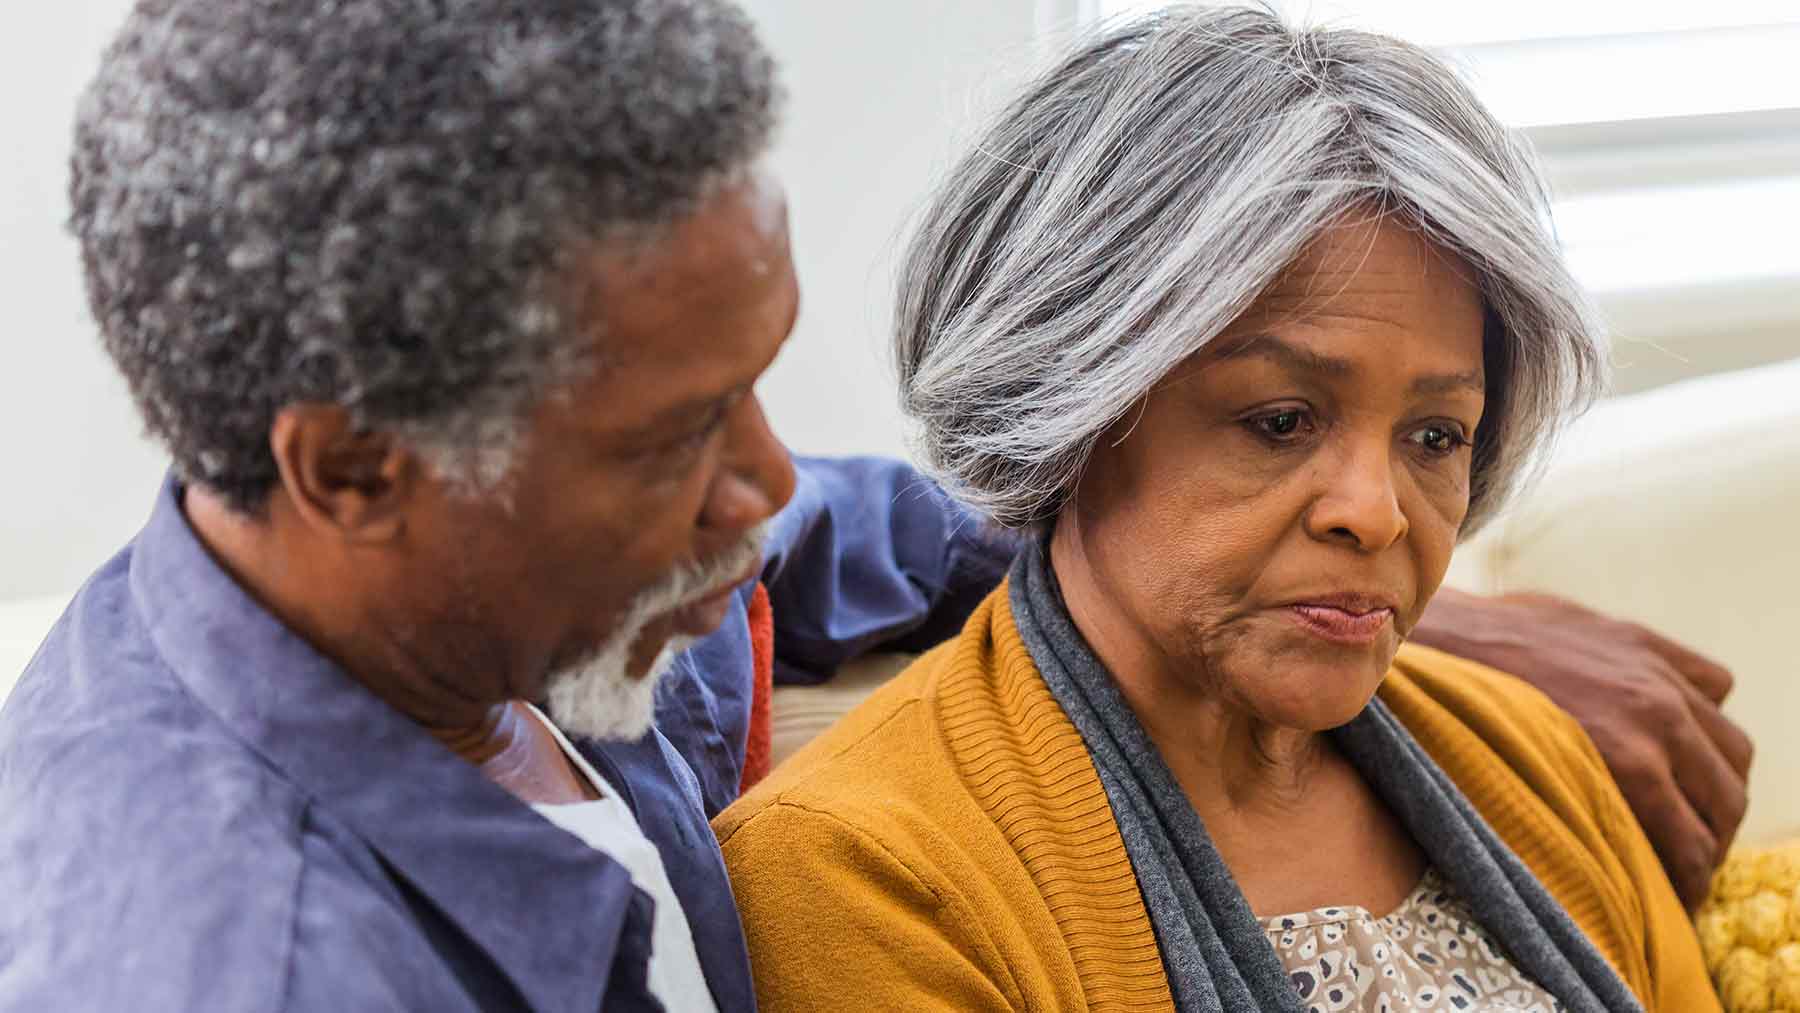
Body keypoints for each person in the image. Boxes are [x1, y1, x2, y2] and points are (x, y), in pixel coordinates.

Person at [0, 0, 1746, 1009]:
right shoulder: (247, 963)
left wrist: (1343, 587)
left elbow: (927, 515)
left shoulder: (533, 611)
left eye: (1435, 438)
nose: (770, 487)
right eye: (681, 432)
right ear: (359, 464)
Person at [717, 8, 1729, 1012]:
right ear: (1074, 407)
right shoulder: (857, 874)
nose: (1376, 513)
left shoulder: (1529, 753)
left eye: (1435, 435)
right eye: (1282, 419)